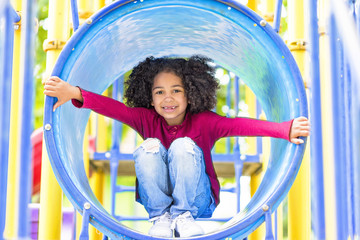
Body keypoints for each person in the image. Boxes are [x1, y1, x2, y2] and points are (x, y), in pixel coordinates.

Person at [43, 55, 310, 238]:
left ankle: (183, 217)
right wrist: (75, 93)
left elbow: (242, 125)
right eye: (159, 92)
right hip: (159, 203)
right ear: (149, 96)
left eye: (176, 90)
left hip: (198, 202)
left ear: (191, 92)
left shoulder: (205, 122)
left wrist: (285, 129)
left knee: (183, 145)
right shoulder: (146, 119)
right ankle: (160, 218)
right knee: (148, 147)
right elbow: (114, 109)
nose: (167, 98)